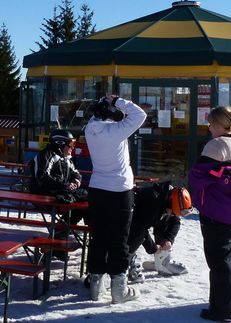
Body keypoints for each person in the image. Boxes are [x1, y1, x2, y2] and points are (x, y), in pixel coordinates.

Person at [188, 106, 231, 322]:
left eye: (210, 123)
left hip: (216, 211)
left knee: (219, 262)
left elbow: (197, 177)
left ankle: (221, 311)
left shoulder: (215, 146)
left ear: (219, 124)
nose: (209, 128)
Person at [83, 94, 146, 304]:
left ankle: (95, 287)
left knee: (99, 236)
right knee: (119, 239)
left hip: (97, 188)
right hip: (119, 190)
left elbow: (97, 116)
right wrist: (118, 100)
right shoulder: (116, 132)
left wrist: (104, 103)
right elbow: (140, 115)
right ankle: (119, 290)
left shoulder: (90, 129)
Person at [28, 129, 86, 261]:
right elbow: (41, 177)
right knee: (76, 206)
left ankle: (58, 240)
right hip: (43, 196)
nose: (72, 148)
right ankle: (57, 242)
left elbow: (76, 173)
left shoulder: (66, 159)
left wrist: (75, 181)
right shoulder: (47, 155)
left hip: (59, 195)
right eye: (70, 144)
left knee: (84, 203)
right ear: (60, 143)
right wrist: (64, 185)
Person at [125, 182, 190, 284]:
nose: (173, 214)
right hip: (124, 217)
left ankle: (162, 261)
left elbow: (175, 221)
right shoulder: (153, 201)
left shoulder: (168, 199)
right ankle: (125, 264)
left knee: (167, 220)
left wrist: (168, 240)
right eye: (173, 212)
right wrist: (153, 248)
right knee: (137, 235)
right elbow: (141, 229)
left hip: (138, 220)